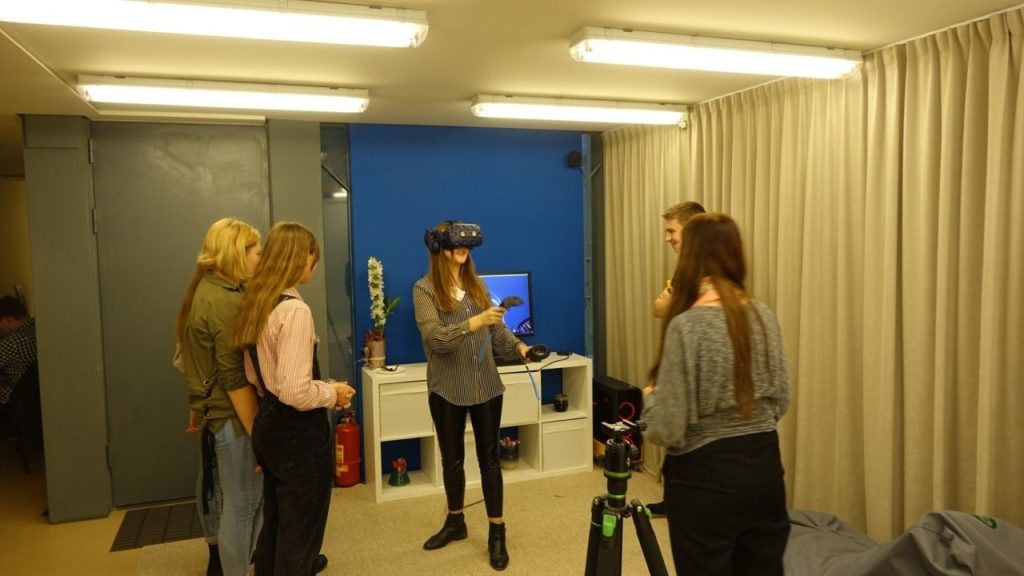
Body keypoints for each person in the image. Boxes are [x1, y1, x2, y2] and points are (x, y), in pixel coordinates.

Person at [640, 213, 791, 576]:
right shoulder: (763, 315)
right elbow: (781, 400)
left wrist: (651, 398)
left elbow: (667, 429)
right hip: (764, 470)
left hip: (705, 482)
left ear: (690, 257)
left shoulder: (687, 325)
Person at [232, 222, 355, 576]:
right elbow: (296, 392)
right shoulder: (295, 312)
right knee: (301, 533)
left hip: (268, 426)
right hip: (298, 436)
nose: (314, 265)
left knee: (276, 521)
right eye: (312, 257)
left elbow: (257, 377)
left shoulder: (257, 303)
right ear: (301, 259)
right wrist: (334, 392)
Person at [413, 220, 531, 571]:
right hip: (446, 389)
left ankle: (497, 532)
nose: (462, 251)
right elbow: (435, 340)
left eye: (466, 246)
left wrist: (521, 347)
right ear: (439, 249)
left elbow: (498, 332)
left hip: (486, 387)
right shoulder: (424, 290)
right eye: (454, 245)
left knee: (490, 460)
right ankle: (456, 522)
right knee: (452, 461)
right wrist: (472, 323)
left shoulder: (478, 285)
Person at [176, 218, 264, 576]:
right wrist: (258, 432)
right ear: (236, 255)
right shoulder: (223, 302)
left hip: (219, 416)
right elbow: (232, 377)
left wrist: (197, 405)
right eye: (256, 252)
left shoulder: (208, 291)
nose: (260, 258)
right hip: (233, 420)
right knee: (242, 505)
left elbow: (197, 360)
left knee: (243, 501)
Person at [647, 201, 706, 517]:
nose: (667, 238)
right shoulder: (685, 268)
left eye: (672, 231)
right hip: (677, 362)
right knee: (676, 446)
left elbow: (672, 308)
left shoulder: (707, 271)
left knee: (688, 443)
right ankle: (673, 502)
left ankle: (688, 508)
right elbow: (658, 307)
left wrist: (669, 304)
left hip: (694, 369)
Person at [0, 295, 37, 406]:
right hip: (34, 394)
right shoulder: (40, 328)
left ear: (9, 320)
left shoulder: (12, 342)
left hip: (14, 398)